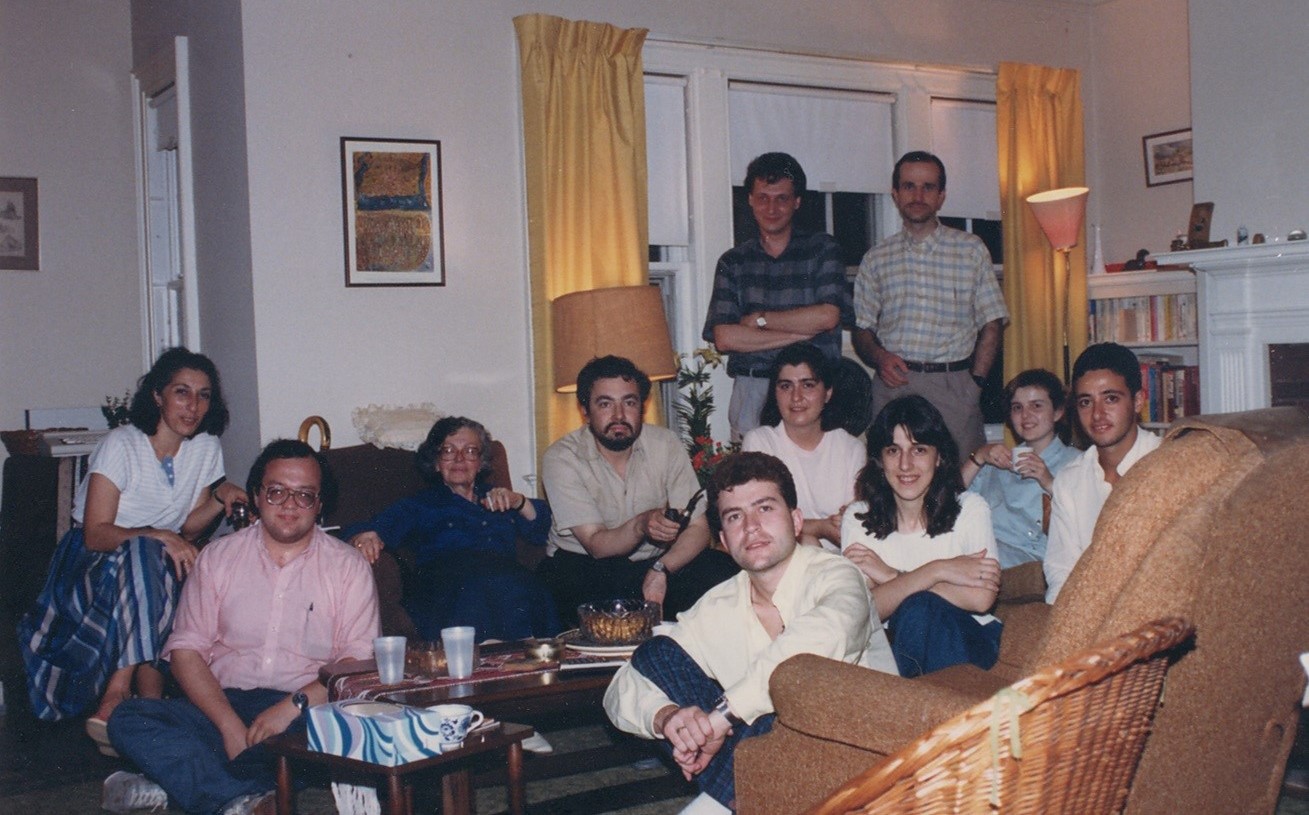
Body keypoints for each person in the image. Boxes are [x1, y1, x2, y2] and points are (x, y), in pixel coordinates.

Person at [604, 452, 897, 814]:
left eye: (764, 508)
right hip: (760, 762)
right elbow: (623, 685)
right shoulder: (718, 605)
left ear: (795, 520)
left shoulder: (837, 576)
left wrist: (720, 718)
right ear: (723, 540)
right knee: (655, 654)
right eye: (734, 516)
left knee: (773, 718)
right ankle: (749, 797)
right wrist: (669, 718)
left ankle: (744, 797)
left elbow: (809, 655)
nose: (751, 527)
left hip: (858, 760)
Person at [104, 439, 379, 815]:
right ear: (256, 495)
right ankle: (240, 798)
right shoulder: (218, 557)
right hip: (220, 703)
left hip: (304, 710)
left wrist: (289, 708)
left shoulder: (348, 567)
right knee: (130, 717)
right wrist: (229, 725)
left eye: (304, 495)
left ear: (319, 505)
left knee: (338, 735)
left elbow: (357, 663)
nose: (288, 505)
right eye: (277, 491)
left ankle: (184, 783)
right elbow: (186, 651)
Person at [18, 347, 248, 748]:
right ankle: (129, 691)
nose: (194, 406)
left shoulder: (206, 448)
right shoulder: (122, 444)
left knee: (152, 561)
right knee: (146, 554)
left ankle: (137, 705)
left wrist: (219, 495)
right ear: (158, 395)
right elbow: (95, 533)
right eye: (182, 392)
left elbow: (190, 525)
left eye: (204, 395)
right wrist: (159, 535)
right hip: (90, 564)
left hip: (148, 568)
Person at [539, 355, 739, 629]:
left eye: (629, 402)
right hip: (584, 565)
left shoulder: (665, 443)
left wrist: (662, 569)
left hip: (652, 562)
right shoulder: (561, 457)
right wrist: (642, 525)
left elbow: (699, 527)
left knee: (722, 571)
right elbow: (596, 544)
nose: (619, 416)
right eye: (605, 404)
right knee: (580, 589)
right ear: (585, 410)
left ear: (642, 408)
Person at [851, 150, 1009, 457]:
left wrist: (973, 384)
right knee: (893, 477)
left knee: (961, 481)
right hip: (894, 385)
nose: (918, 195)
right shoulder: (876, 259)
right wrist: (879, 356)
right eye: (909, 186)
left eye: (928, 187)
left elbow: (992, 323)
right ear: (895, 195)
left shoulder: (971, 250)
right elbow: (862, 329)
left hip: (955, 388)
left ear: (941, 196)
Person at [345, 416, 560, 641]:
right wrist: (365, 535)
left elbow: (543, 529)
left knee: (528, 586)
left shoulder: (500, 497)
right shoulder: (422, 504)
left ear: (481, 462)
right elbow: (361, 527)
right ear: (437, 463)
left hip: (509, 579)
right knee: (481, 588)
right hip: (450, 585)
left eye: (470, 451)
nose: (459, 458)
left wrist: (519, 502)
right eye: (448, 450)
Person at [840, 395, 1002, 677]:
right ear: (879, 459)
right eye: (893, 450)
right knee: (914, 612)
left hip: (971, 639)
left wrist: (891, 577)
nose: (905, 465)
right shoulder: (857, 517)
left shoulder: (970, 509)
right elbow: (864, 611)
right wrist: (938, 570)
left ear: (939, 457)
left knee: (919, 609)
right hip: (898, 649)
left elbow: (981, 599)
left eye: (919, 450)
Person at [701, 152, 854, 441]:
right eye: (763, 197)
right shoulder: (733, 262)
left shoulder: (823, 250)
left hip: (813, 390)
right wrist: (803, 334)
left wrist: (760, 320)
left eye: (782, 198)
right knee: (753, 482)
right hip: (753, 390)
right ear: (750, 199)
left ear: (797, 202)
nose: (771, 208)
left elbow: (828, 315)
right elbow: (725, 338)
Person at [1043, 343, 1161, 603]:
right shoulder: (1070, 480)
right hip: (1089, 617)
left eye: (1110, 398)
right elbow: (1061, 571)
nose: (1097, 414)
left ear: (1138, 400)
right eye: (1086, 402)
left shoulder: (1166, 463)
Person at [741, 341, 865, 550]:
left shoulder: (850, 448)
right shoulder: (760, 442)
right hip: (782, 557)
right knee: (807, 543)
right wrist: (819, 527)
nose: (796, 397)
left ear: (827, 393)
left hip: (843, 562)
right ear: (775, 393)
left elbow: (853, 521)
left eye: (807, 385)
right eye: (786, 386)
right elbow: (762, 519)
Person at [961, 369, 1079, 568]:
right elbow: (946, 500)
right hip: (982, 548)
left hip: (1028, 558)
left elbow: (1085, 522)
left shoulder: (1076, 463)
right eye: (1017, 407)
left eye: (1036, 406)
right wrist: (979, 456)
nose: (1026, 415)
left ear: (1058, 412)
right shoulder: (997, 461)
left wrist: (1049, 482)